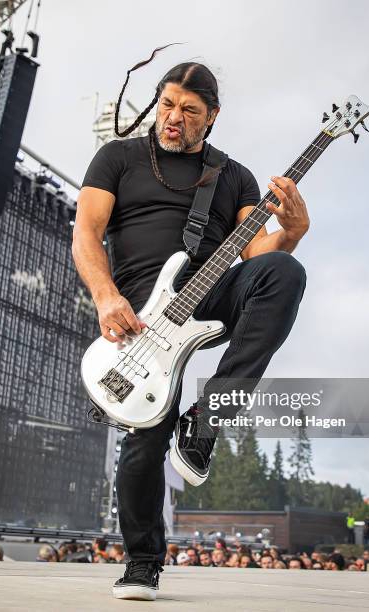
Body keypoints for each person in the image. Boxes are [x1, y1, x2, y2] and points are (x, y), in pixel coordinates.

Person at [73, 49, 308, 602]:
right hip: (136, 316)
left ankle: (210, 415)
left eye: (188, 108)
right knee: (143, 445)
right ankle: (142, 562)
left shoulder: (233, 176)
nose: (173, 116)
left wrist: (292, 232)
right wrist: (105, 296)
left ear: (212, 115)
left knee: (283, 271)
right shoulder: (118, 159)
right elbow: (87, 233)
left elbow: (258, 252)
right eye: (166, 104)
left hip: (205, 300)